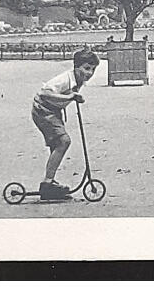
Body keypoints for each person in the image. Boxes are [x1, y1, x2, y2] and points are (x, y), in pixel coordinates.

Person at [30, 48, 100, 201]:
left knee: (57, 144)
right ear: (76, 66)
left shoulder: (78, 79)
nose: (89, 73)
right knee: (63, 141)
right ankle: (47, 183)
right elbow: (43, 93)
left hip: (53, 110)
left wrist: (74, 97)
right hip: (43, 109)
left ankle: (50, 182)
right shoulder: (64, 79)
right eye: (86, 68)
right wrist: (70, 96)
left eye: (93, 70)